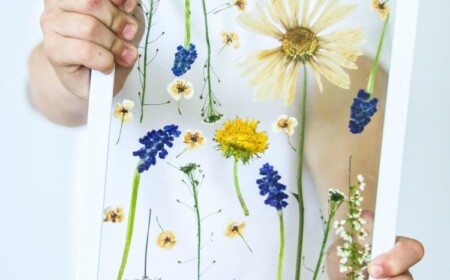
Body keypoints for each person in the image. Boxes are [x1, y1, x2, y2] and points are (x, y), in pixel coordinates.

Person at [29, 0, 424, 279]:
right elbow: (49, 80)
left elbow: (345, 92)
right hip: (125, 263)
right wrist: (79, 69)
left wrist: (354, 243)